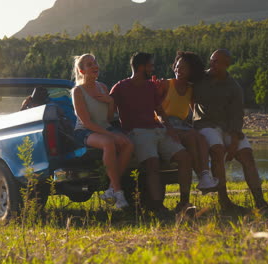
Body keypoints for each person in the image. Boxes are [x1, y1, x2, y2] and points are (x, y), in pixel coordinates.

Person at [110, 52, 194, 214]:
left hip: (158, 130)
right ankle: (157, 206)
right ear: (141, 67)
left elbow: (160, 111)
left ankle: (184, 203)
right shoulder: (120, 87)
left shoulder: (150, 87)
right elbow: (110, 112)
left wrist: (170, 131)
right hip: (137, 132)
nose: (153, 68)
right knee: (152, 164)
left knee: (184, 158)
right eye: (151, 65)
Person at [193, 49, 268, 214]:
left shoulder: (234, 87)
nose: (212, 64)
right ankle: (224, 201)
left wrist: (235, 139)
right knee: (217, 150)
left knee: (246, 155)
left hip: (228, 127)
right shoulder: (200, 79)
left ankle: (260, 201)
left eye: (217, 62)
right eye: (212, 60)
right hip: (205, 124)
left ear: (226, 65)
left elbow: (237, 114)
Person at [71, 54, 133, 209]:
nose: (94, 66)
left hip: (104, 127)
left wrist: (110, 101)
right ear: (81, 70)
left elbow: (108, 117)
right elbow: (86, 122)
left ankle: (111, 188)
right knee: (109, 143)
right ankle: (118, 193)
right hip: (85, 131)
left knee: (128, 144)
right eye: (89, 64)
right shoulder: (77, 91)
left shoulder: (103, 87)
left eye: (95, 63)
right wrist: (111, 135)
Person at [155, 51, 219, 194]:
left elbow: (194, 110)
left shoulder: (190, 89)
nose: (178, 70)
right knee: (191, 137)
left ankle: (204, 175)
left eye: (183, 67)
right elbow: (156, 110)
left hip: (181, 124)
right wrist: (170, 128)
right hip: (164, 123)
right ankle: (203, 178)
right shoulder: (166, 84)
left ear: (191, 71)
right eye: (177, 67)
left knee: (201, 138)